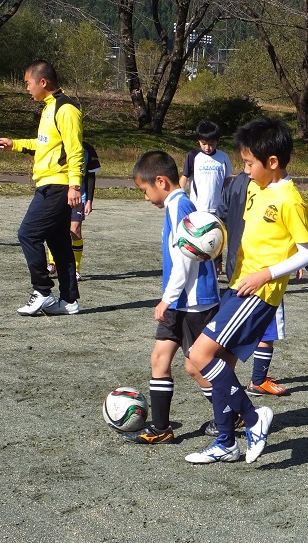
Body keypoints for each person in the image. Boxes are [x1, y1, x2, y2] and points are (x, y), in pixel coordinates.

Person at [184, 117, 308, 464]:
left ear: (272, 162)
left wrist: (265, 275)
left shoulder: (290, 199)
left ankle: (254, 418)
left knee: (199, 356)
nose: (244, 170)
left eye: (248, 163)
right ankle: (226, 442)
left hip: (258, 293)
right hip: (239, 285)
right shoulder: (257, 187)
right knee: (213, 366)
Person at [121, 150, 221, 445]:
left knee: (196, 366)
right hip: (180, 301)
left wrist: (167, 297)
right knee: (159, 358)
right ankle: (161, 428)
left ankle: (232, 411)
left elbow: (185, 260)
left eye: (144, 190)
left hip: (193, 301)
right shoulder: (175, 205)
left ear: (161, 181)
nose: (145, 197)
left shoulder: (180, 206)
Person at [0, 60, 84, 316]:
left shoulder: (66, 109)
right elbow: (44, 144)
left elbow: (75, 150)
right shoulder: (49, 108)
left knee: (28, 234)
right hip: (49, 183)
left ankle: (43, 291)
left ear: (42, 82)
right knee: (59, 244)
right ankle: (69, 301)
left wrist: (74, 185)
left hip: (58, 185)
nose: (26, 88)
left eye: (28, 83)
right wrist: (15, 144)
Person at [180, 119, 233, 277]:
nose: (208, 147)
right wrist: (179, 195)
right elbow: (184, 177)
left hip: (217, 209)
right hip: (197, 208)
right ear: (199, 141)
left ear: (217, 141)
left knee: (215, 239)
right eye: (204, 143)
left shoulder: (223, 157)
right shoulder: (193, 156)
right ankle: (193, 272)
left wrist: (229, 200)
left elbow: (227, 180)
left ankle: (216, 268)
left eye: (211, 143)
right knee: (196, 240)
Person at [46, 141, 101, 281]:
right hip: (57, 194)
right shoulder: (57, 144)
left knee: (74, 230)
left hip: (79, 196)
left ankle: (76, 269)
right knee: (54, 228)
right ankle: (52, 263)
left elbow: (90, 176)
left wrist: (89, 200)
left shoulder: (88, 149)